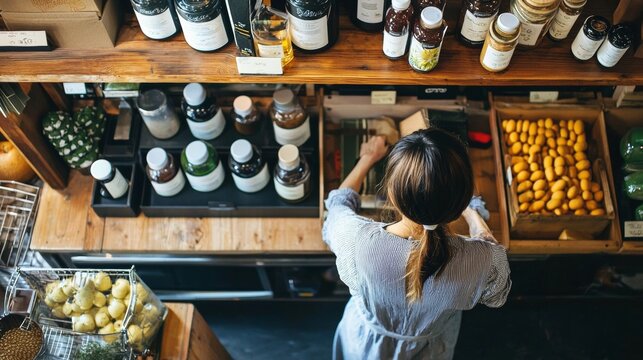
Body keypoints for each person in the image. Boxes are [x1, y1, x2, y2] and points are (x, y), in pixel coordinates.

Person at [323, 128, 511, 360]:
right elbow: (496, 291)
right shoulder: (482, 260)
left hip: (366, 341)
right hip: (431, 348)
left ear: (391, 194)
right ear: (461, 201)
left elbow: (338, 205)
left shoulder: (358, 240)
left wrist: (367, 158)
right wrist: (473, 216)